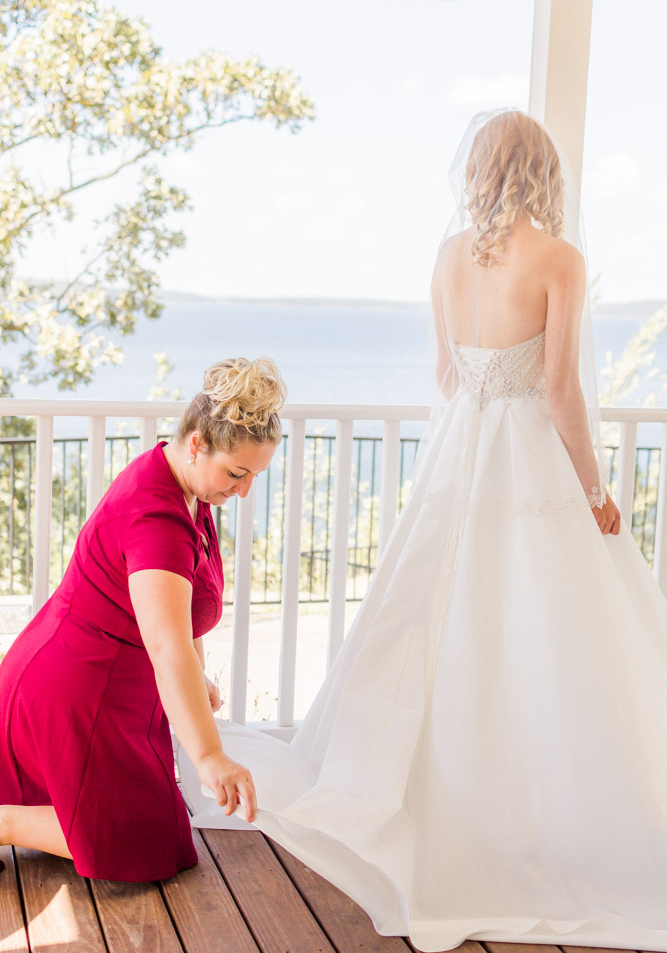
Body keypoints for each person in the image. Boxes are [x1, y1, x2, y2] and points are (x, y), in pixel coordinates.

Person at [180, 109, 667, 952]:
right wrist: (592, 489)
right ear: (542, 172)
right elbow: (560, 393)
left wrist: (477, 413)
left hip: (458, 455)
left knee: (437, 621)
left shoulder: (448, 255)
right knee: (542, 628)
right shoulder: (559, 259)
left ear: (476, 169)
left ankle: (428, 790)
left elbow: (446, 374)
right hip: (525, 455)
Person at [0, 355, 286, 881]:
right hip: (73, 686)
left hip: (113, 684)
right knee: (140, 844)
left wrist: (199, 676)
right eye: (237, 473)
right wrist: (209, 757)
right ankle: (3, 822)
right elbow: (168, 646)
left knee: (162, 840)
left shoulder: (187, 484)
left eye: (254, 476)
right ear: (197, 443)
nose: (244, 491)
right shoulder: (156, 516)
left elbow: (184, 611)